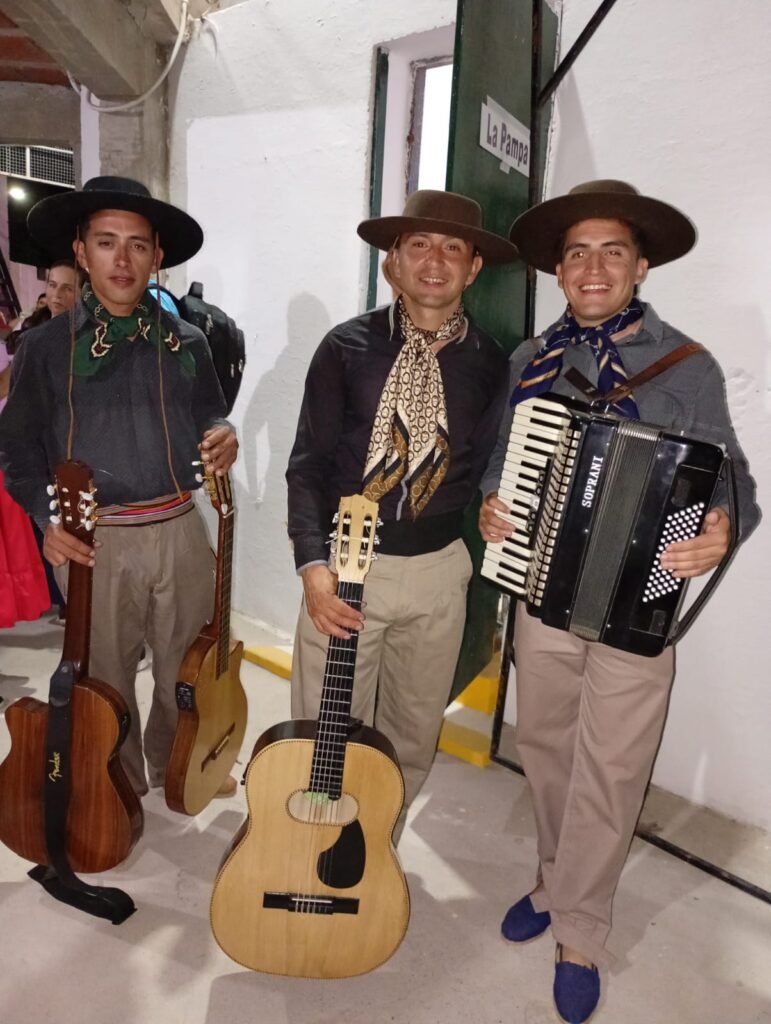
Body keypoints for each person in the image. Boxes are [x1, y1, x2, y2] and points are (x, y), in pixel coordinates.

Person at [479, 180, 760, 1023]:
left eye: (611, 251)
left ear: (638, 266)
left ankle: (580, 931)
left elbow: (735, 481)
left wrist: (721, 527)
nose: (592, 266)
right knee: (547, 751)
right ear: (559, 271)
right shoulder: (529, 361)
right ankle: (552, 879)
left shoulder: (687, 365)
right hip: (542, 592)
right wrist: (496, 501)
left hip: (638, 607)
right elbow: (501, 460)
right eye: (576, 253)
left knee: (611, 770)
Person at [286, 189, 519, 838]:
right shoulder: (345, 348)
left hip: (440, 570)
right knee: (323, 734)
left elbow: (492, 465)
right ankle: (308, 845)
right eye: (419, 244)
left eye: (453, 247)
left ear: (474, 267)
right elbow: (306, 464)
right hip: (347, 564)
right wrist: (312, 564)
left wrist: (502, 502)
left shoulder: (491, 364)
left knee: (412, 736)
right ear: (393, 262)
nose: (435, 260)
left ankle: (375, 845)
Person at [0, 176, 239, 801]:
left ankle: (175, 763)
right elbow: (17, 450)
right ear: (81, 252)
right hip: (94, 541)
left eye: (137, 244)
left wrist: (223, 435)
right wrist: (45, 520)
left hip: (181, 530)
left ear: (158, 255)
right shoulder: (45, 348)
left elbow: (211, 415)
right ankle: (118, 780)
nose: (123, 259)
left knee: (185, 671)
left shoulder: (187, 342)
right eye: (106, 243)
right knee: (103, 680)